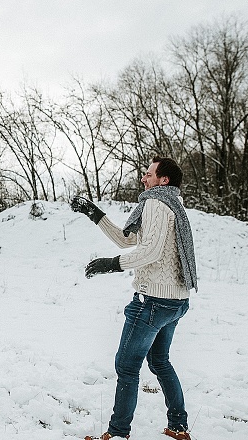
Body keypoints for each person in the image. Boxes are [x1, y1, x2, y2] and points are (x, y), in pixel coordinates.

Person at [71, 156, 197, 440]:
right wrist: (95, 214)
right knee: (160, 362)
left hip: (153, 301)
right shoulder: (173, 205)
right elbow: (129, 239)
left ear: (163, 180)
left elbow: (149, 252)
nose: (143, 178)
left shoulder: (155, 203)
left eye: (149, 174)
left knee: (127, 366)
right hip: (176, 301)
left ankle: (118, 432)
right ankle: (178, 426)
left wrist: (111, 264)